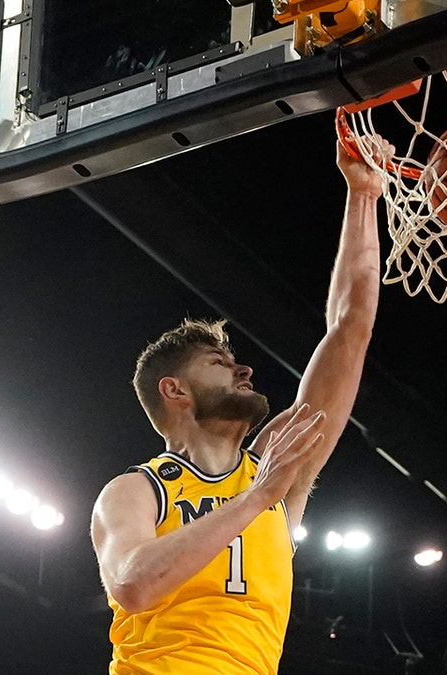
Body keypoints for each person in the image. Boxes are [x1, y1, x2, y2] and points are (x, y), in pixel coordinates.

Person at [90, 134, 389, 674]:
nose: (242, 368)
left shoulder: (277, 465)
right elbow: (133, 585)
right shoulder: (136, 490)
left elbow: (351, 328)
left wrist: (363, 195)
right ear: (174, 390)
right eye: (217, 362)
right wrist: (259, 497)